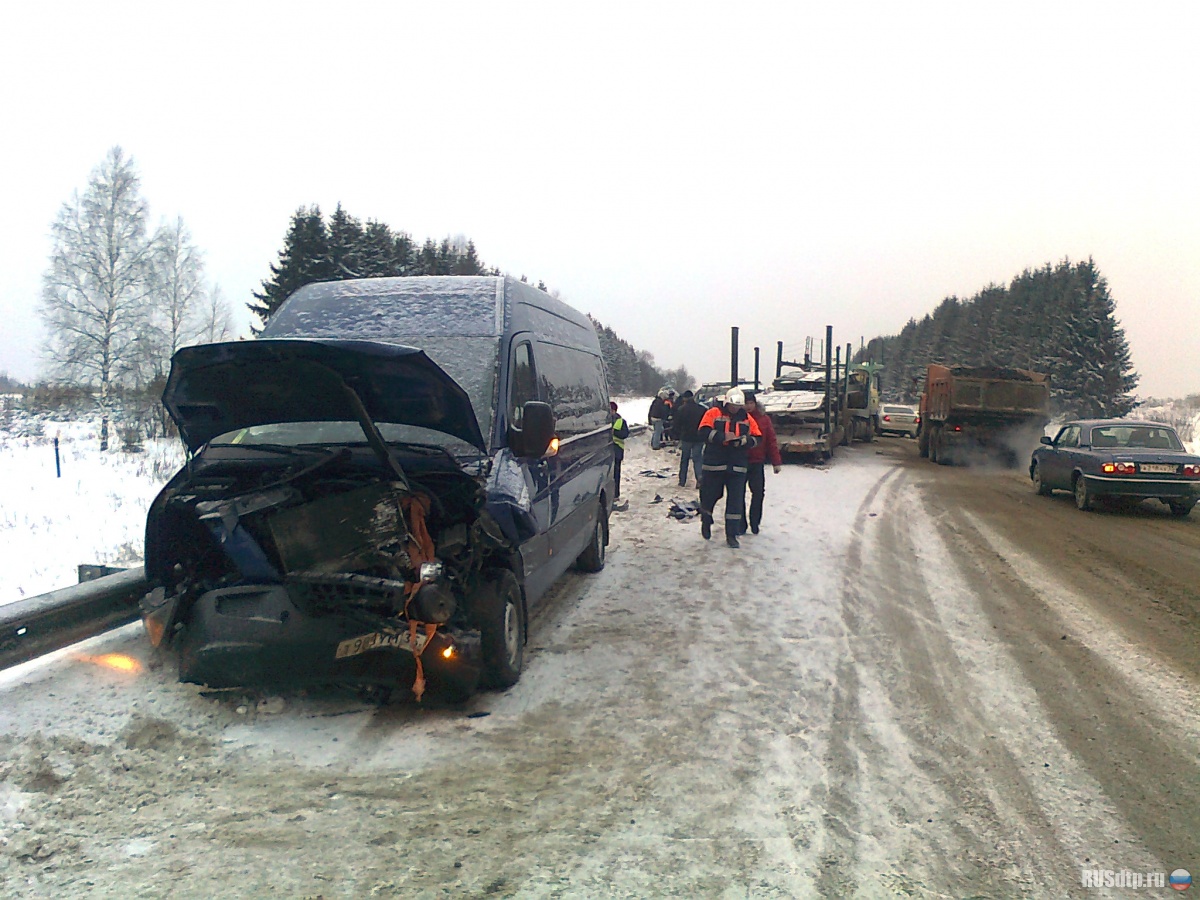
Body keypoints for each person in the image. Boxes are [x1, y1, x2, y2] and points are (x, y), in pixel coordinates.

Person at [697, 388, 762, 548]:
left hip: (737, 465)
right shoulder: (713, 413)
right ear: (726, 402)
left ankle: (731, 534)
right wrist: (721, 438)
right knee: (710, 496)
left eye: (737, 406)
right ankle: (706, 519)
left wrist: (743, 441)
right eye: (732, 405)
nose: (735, 409)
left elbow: (757, 437)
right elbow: (703, 431)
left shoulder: (747, 418)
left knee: (735, 501)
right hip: (714, 464)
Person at [740, 391, 782, 535]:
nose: (748, 406)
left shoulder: (764, 419)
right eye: (746, 403)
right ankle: (741, 524)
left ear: (755, 403)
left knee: (758, 493)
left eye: (751, 403)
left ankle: (755, 520)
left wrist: (776, 461)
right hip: (740, 461)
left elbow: (771, 441)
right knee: (738, 494)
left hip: (757, 462)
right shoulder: (737, 418)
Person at [671, 390, 706, 488]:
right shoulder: (701, 409)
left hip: (686, 437)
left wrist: (676, 435)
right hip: (699, 438)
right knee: (698, 459)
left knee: (684, 459)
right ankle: (699, 478)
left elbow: (677, 424)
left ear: (685, 398)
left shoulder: (681, 409)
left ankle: (682, 480)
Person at [611, 401, 629, 507]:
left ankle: (616, 494)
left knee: (616, 473)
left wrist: (614, 432)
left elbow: (625, 434)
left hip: (617, 449)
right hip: (608, 450)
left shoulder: (621, 421)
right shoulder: (604, 421)